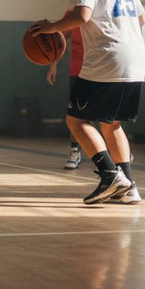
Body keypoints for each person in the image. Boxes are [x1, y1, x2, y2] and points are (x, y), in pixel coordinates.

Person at [31, 0, 145, 205]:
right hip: (135, 57)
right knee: (112, 123)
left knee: (76, 120)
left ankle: (110, 175)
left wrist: (50, 27)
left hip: (107, 56)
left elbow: (81, 15)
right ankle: (129, 186)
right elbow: (141, 19)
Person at [46, 9, 84, 170]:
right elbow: (60, 41)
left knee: (108, 117)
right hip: (78, 71)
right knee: (75, 115)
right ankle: (75, 151)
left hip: (104, 70)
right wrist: (53, 65)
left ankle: (117, 155)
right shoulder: (72, 13)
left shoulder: (106, 8)